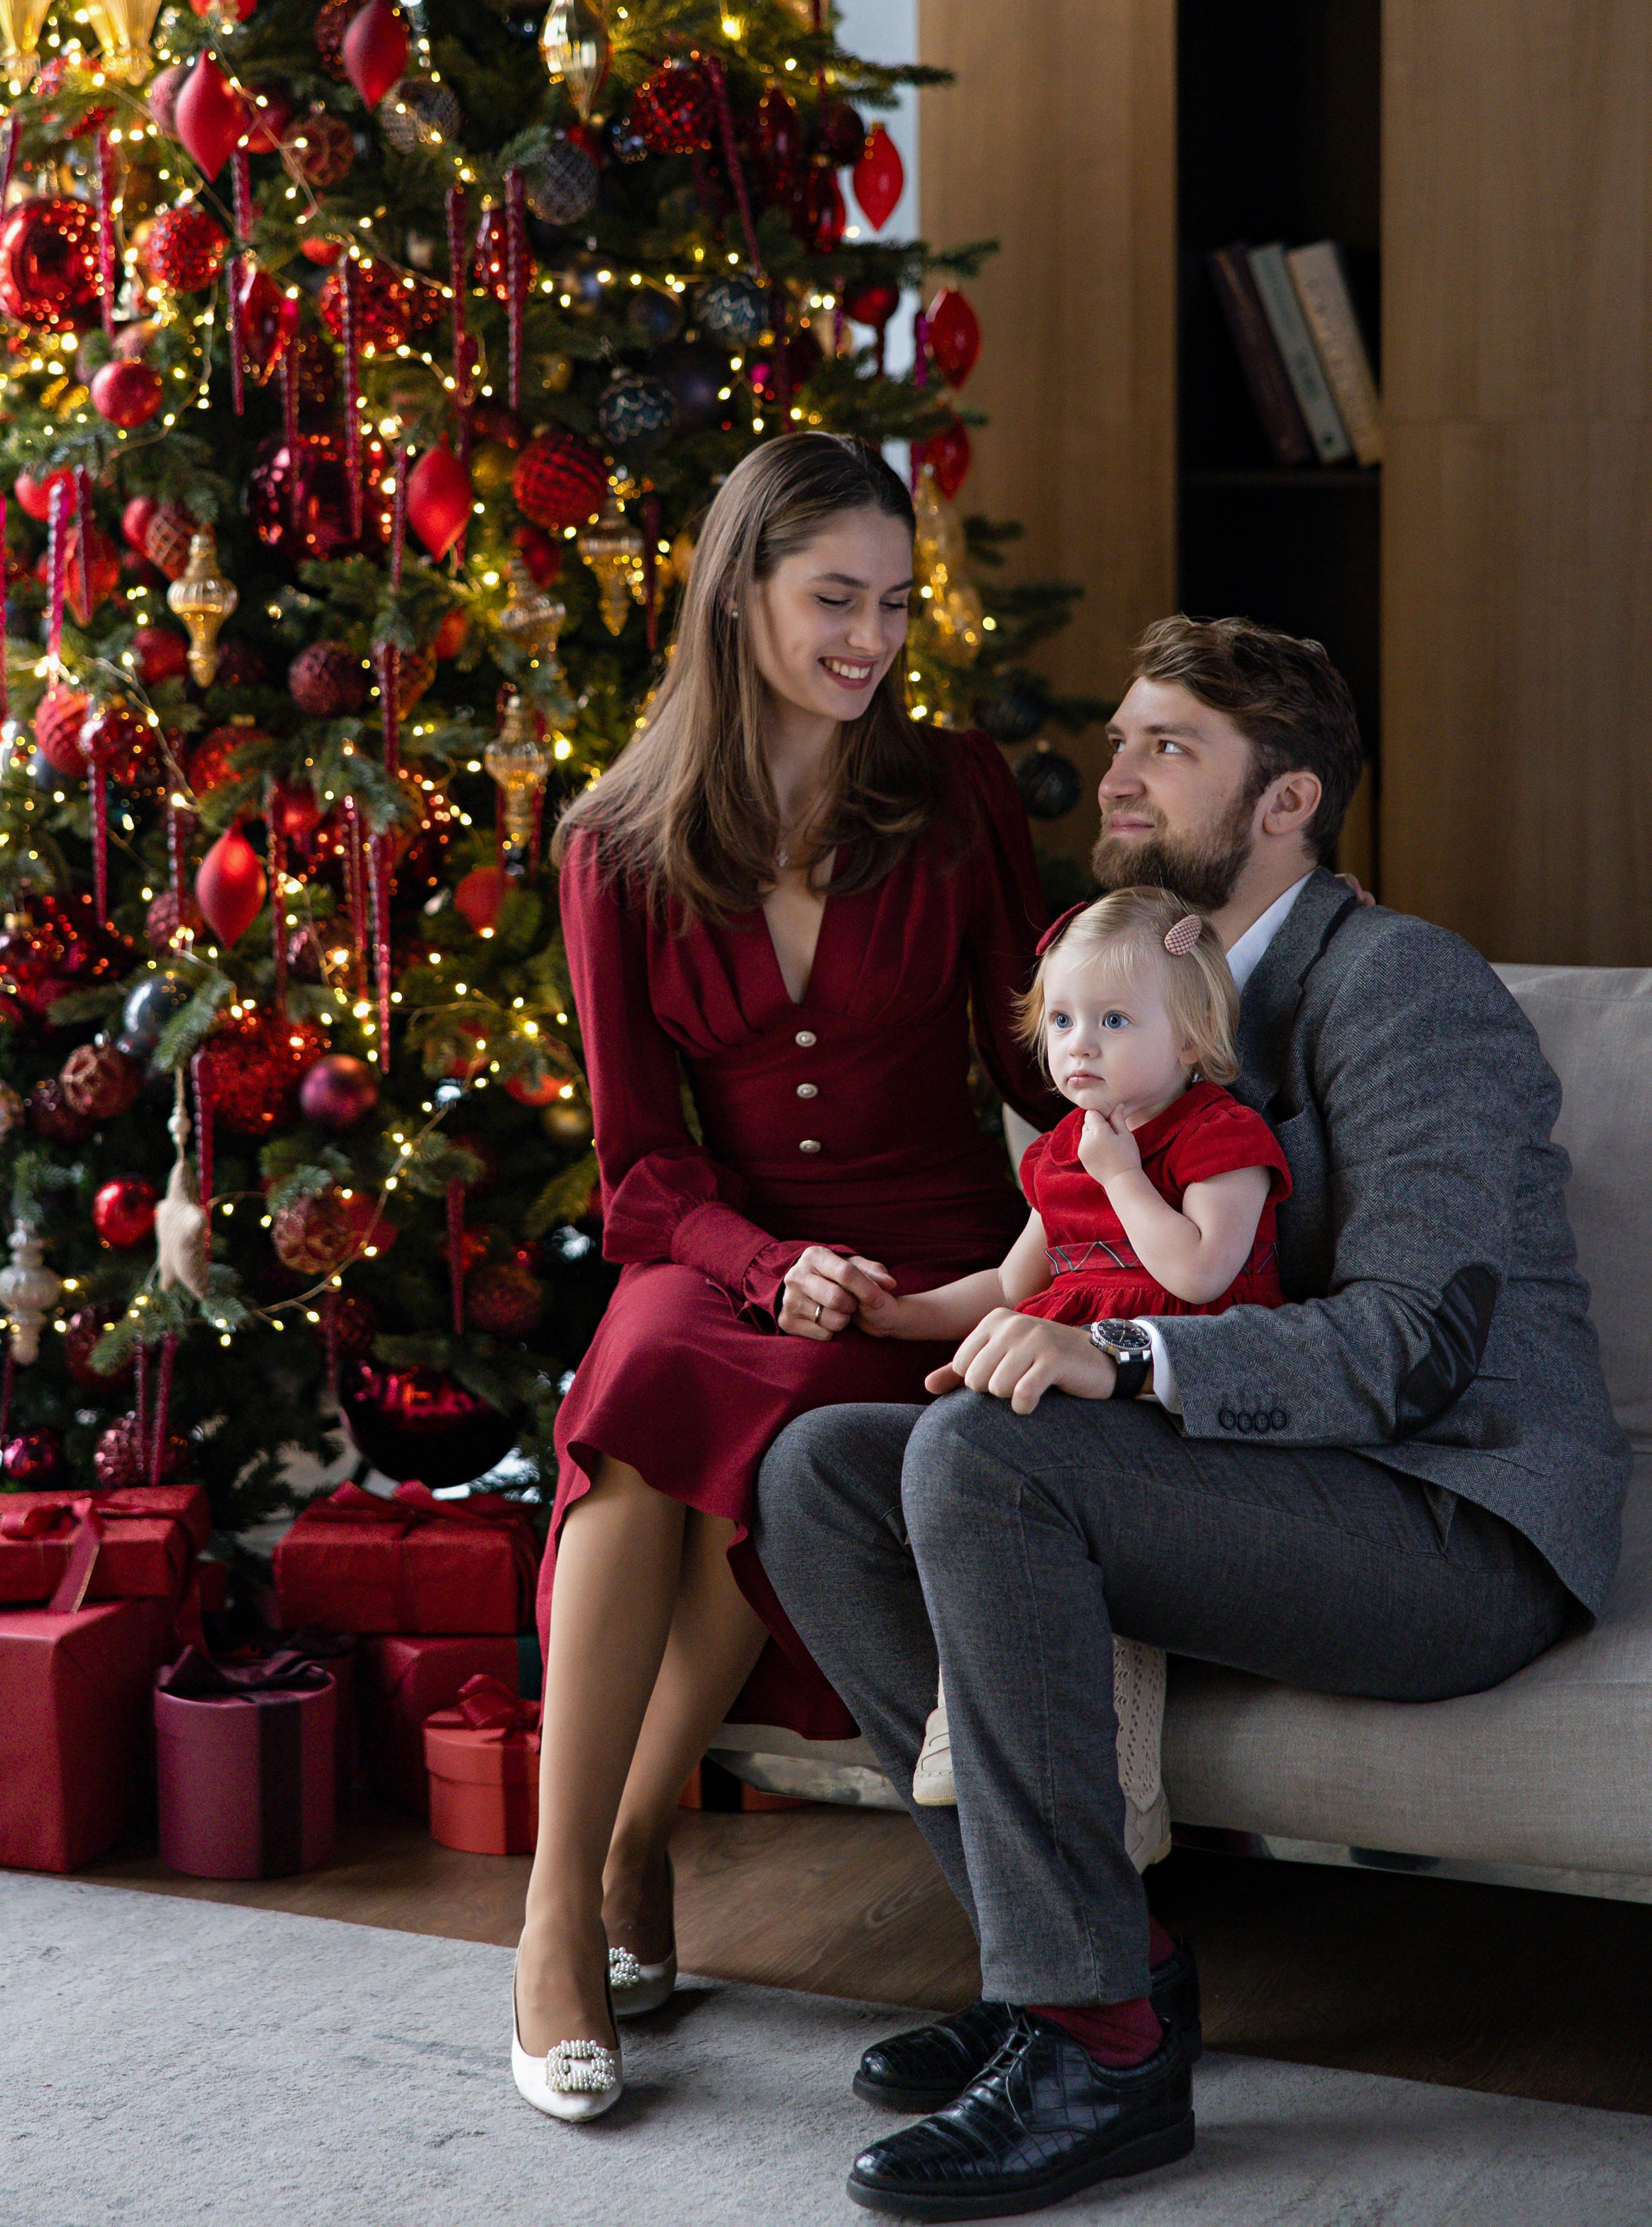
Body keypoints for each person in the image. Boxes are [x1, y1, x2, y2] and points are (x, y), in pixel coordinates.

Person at [754, 613, 1631, 2221]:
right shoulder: (1133, 1009)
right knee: (820, 1473)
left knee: (986, 1448)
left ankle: (1094, 2054)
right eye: (1117, 740)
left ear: (1287, 800)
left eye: (1170, 744)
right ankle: (1093, 1978)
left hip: (1443, 1521)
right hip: (1253, 1500)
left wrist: (1133, 1366)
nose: (1119, 772)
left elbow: (1419, 1342)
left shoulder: (1398, 986)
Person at [510, 432, 1060, 2123]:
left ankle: (628, 1842)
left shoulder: (956, 790)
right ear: (734, 590)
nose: (871, 639)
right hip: (725, 1241)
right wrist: (767, 1260)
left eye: (892, 603)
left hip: (934, 1261)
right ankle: (550, 1920)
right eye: (833, 599)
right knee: (648, 1380)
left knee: (783, 1460)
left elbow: (1037, 1065)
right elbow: (637, 1171)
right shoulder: (611, 840)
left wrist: (1078, 1234)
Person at [828, 887, 1289, 1867]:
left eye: (1116, 1021)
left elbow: (1201, 1271)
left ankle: (1121, 1789)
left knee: (1054, 1499)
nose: (1080, 1045)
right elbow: (1011, 1280)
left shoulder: (1219, 1136)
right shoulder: (1057, 1154)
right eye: (1064, 1021)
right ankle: (968, 1711)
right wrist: (905, 1312)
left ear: (1197, 1036)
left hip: (1180, 1403)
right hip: (1064, 1383)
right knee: (956, 1479)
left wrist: (1124, 1178)